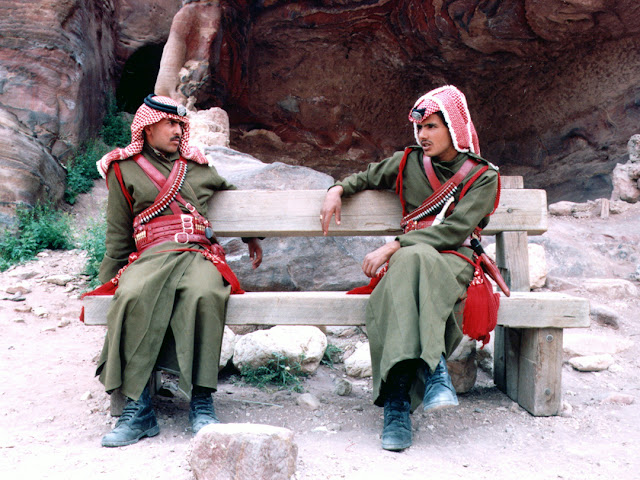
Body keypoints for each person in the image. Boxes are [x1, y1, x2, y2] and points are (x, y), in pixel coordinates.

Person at [320, 85, 499, 451]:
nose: (422, 135)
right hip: (409, 263)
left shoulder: (483, 176)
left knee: (412, 262)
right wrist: (336, 189)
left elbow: (455, 230)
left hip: (454, 259)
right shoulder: (407, 161)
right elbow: (365, 177)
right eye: (419, 128)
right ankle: (433, 372)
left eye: (432, 126)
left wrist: (395, 244)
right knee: (412, 264)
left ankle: (397, 405)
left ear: (454, 127)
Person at [93, 94, 262, 448]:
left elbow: (233, 194)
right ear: (148, 127)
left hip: (197, 254)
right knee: (133, 294)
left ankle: (201, 401)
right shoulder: (123, 169)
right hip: (151, 256)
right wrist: (105, 280)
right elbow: (118, 235)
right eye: (170, 124)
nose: (178, 130)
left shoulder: (197, 166)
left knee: (205, 292)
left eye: (180, 125)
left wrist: (251, 235)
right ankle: (138, 410)